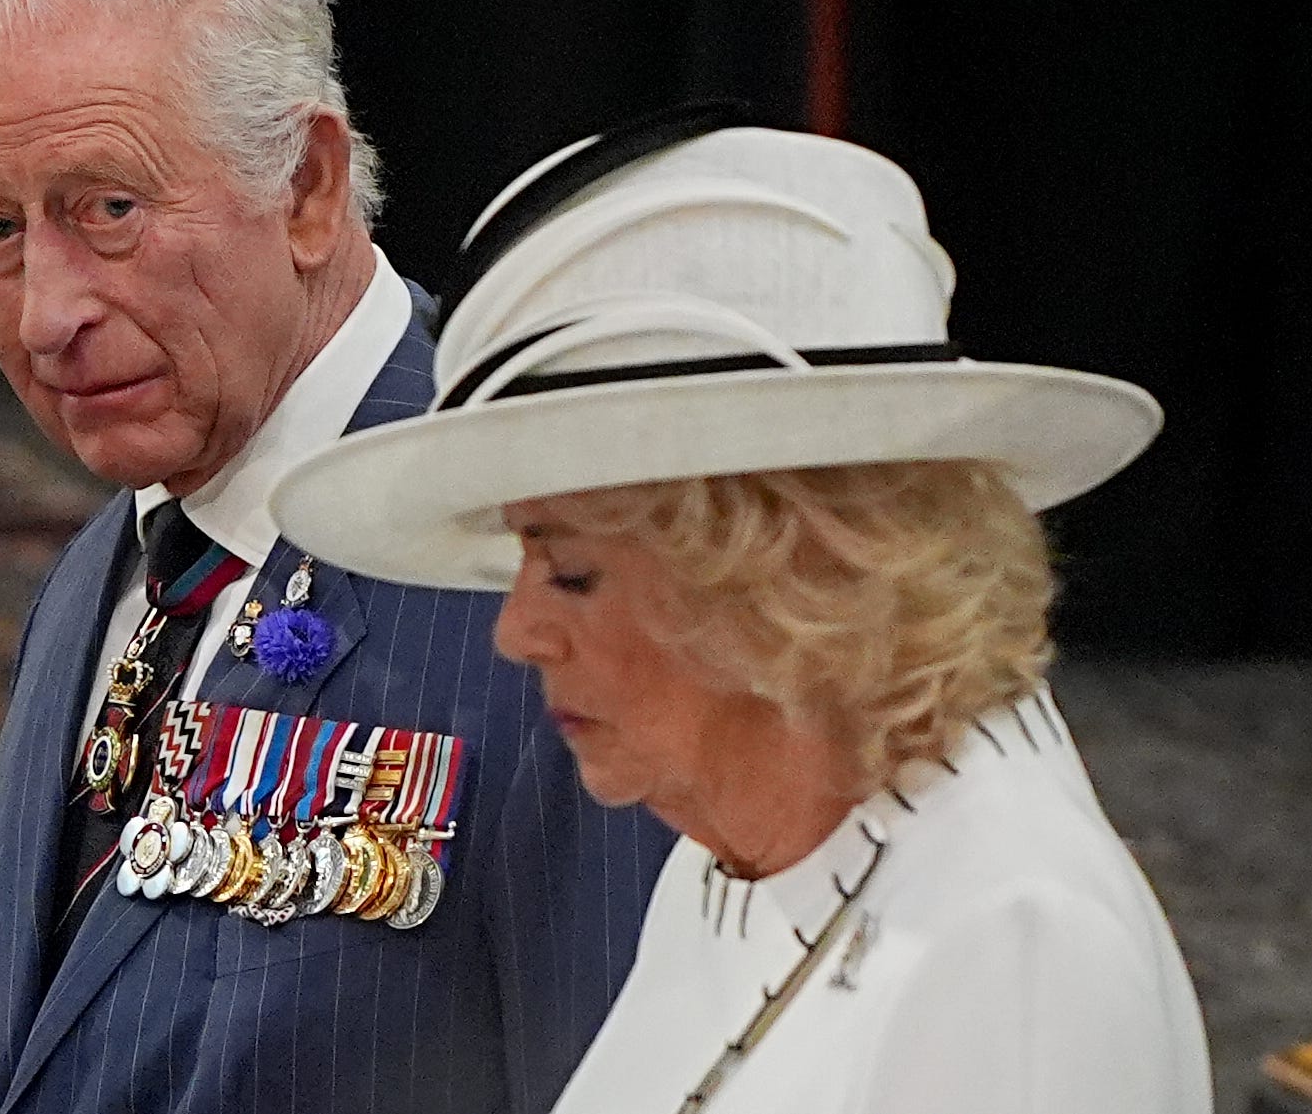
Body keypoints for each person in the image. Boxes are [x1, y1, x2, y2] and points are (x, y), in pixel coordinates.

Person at [270, 109, 1214, 1113]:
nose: (517, 632)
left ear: (791, 579)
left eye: (571, 570)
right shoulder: (738, 852)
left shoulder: (1017, 951)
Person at [0, 0, 671, 1114]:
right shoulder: (115, 563)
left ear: (308, 187)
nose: (50, 315)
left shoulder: (544, 576)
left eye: (110, 210)